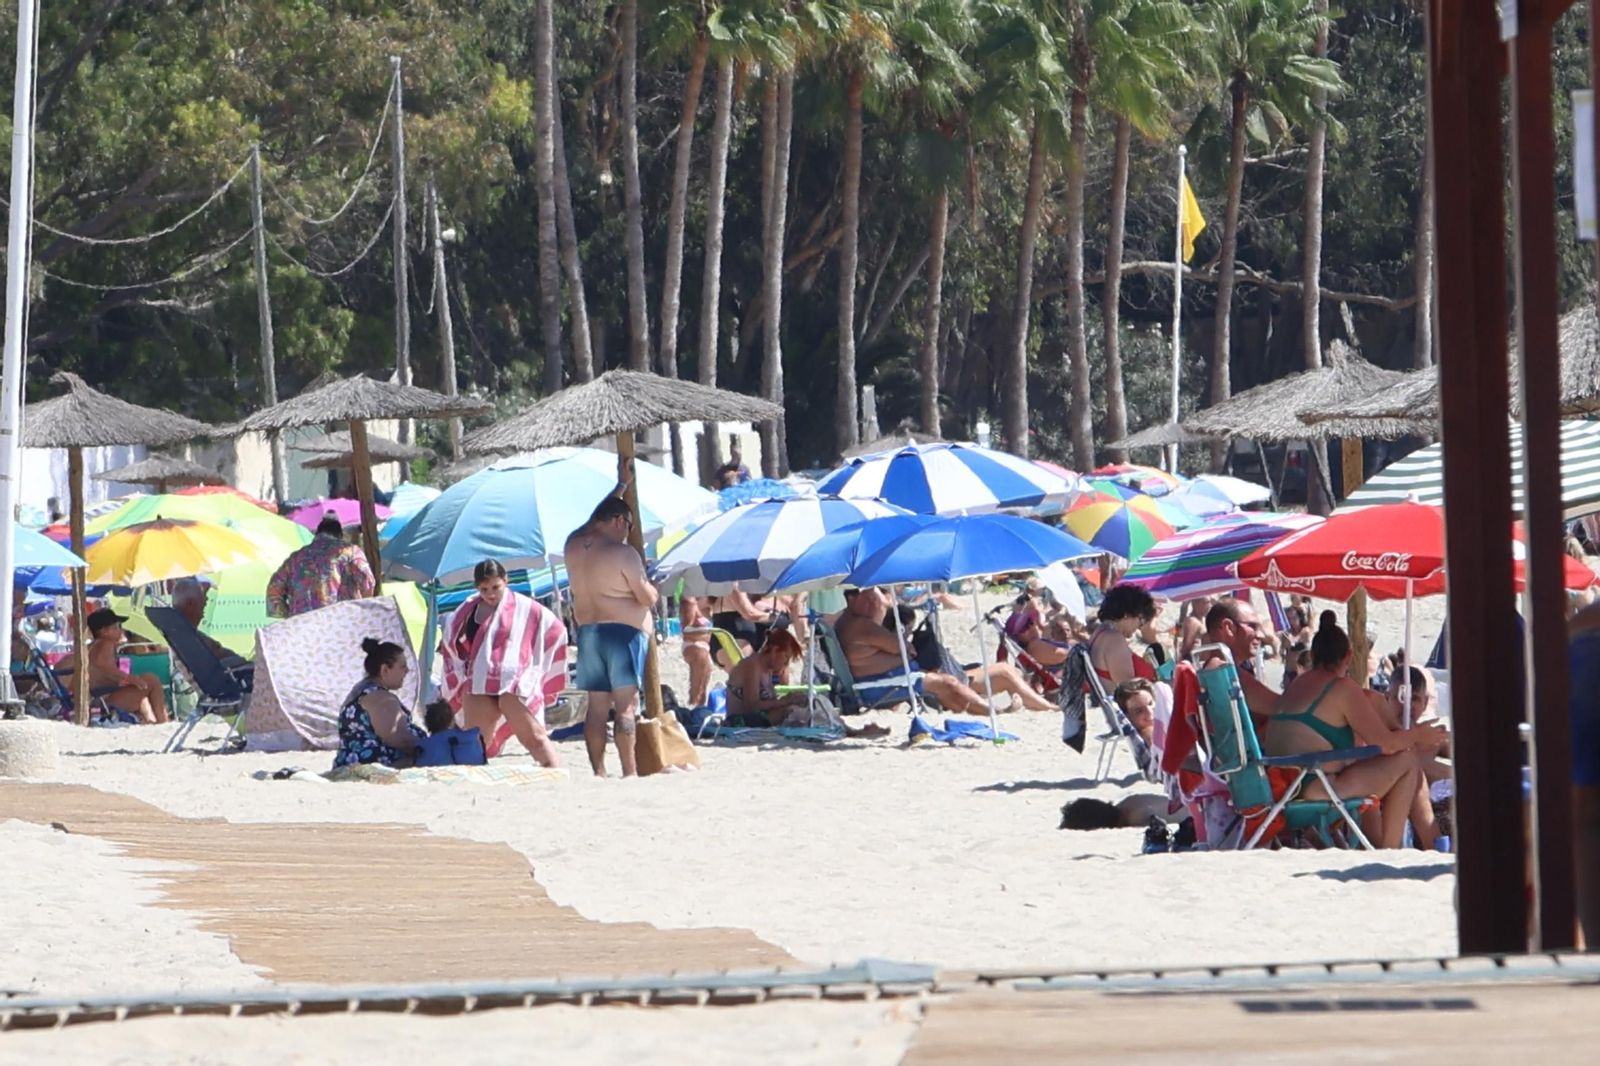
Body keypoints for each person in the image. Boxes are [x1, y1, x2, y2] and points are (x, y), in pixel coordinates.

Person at [1262, 612, 1445, 849]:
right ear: (1348, 657)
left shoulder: (1295, 686)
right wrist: (1419, 734)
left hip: (1281, 787)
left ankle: (1395, 845)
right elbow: (1387, 745)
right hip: (1314, 785)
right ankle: (1390, 851)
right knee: (1407, 762)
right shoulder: (1342, 689)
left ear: (1313, 656)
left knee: (1380, 767)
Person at [566, 484, 658, 778]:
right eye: (627, 526)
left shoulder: (573, 545)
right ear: (619, 521)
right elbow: (646, 597)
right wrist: (652, 588)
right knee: (626, 706)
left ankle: (599, 771)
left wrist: (619, 488)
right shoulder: (623, 553)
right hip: (623, 634)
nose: (627, 533)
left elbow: (594, 520)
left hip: (589, 632)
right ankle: (629, 770)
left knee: (596, 707)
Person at [439, 559, 565, 768]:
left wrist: (532, 665)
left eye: (495, 587)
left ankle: (557, 778)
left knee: (534, 738)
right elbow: (452, 641)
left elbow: (555, 629)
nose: (490, 594)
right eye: (484, 589)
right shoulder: (467, 610)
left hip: (512, 681)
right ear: (476, 587)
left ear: (505, 581)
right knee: (475, 744)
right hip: (478, 680)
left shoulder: (524, 608)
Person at [54, 608, 169, 724]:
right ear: (104, 631)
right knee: (151, 680)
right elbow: (101, 663)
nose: (121, 630)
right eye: (117, 626)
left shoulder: (94, 646)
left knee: (141, 689)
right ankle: (162, 721)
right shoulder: (105, 643)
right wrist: (130, 678)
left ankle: (150, 721)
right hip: (103, 701)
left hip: (98, 698)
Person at [333, 638, 426, 768]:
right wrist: (430, 747)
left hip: (355, 761)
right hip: (376, 764)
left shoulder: (363, 690)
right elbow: (398, 738)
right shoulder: (379, 697)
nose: (407, 671)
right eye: (402, 666)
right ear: (385, 670)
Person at [266, 513, 375, 618]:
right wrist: (364, 611)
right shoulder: (350, 551)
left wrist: (289, 615)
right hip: (340, 622)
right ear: (340, 535)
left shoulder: (296, 558)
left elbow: (274, 588)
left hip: (303, 625)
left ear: (317, 534)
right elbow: (367, 581)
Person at [1201, 597, 1279, 728]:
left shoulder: (1210, 670)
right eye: (1252, 626)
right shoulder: (1223, 672)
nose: (1260, 635)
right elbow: (1285, 707)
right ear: (1229, 628)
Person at [170, 578, 250, 672]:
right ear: (190, 603)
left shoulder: (181, 633)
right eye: (202, 593)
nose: (207, 599)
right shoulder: (191, 640)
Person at [1087, 584, 1159, 686]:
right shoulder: (1115, 639)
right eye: (1141, 620)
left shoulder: (1101, 631)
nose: (1139, 627)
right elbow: (1128, 688)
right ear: (1127, 614)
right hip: (1117, 700)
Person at [679, 594, 713, 708]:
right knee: (698, 688)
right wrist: (707, 631)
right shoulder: (691, 601)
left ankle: (699, 708)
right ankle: (694, 704)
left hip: (706, 646)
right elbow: (686, 630)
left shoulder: (710, 598)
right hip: (693, 644)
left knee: (704, 686)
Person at [1114, 677, 1158, 751]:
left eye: (1150, 703)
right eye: (1139, 711)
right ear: (1127, 716)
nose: (1150, 712)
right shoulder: (1153, 738)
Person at [1176, 597, 1213, 662]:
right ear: (1195, 604)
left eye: (1210, 602)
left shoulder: (1203, 619)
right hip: (1195, 660)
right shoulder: (1192, 621)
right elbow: (1187, 646)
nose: (1209, 606)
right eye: (1205, 603)